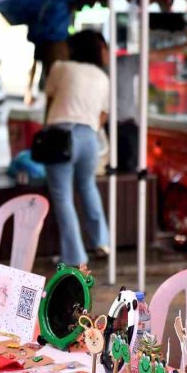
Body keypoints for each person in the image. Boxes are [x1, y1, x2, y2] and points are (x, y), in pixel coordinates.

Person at [43, 29, 111, 265]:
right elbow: (103, 115)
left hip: (61, 135)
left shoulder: (61, 68)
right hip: (89, 137)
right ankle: (102, 241)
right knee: (87, 186)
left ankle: (75, 256)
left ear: (74, 48)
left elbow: (50, 101)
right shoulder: (103, 78)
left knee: (63, 196)